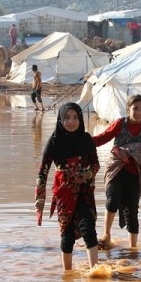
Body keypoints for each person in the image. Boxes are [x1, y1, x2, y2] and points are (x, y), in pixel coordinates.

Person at [35, 103, 101, 271]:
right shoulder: (55, 140)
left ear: (80, 119)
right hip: (64, 192)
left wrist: (86, 175)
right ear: (60, 120)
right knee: (67, 235)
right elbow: (43, 170)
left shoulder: (86, 139)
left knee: (89, 228)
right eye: (67, 118)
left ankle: (96, 271)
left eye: (75, 117)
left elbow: (95, 165)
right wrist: (40, 198)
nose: (71, 122)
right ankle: (67, 275)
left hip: (84, 191)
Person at [92, 94, 141, 249]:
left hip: (134, 172)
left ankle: (133, 249)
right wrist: (82, 140)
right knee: (112, 200)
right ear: (128, 109)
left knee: (132, 211)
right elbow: (102, 138)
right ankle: (106, 235)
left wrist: (129, 153)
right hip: (116, 169)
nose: (138, 112)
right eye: (135, 109)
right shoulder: (120, 123)